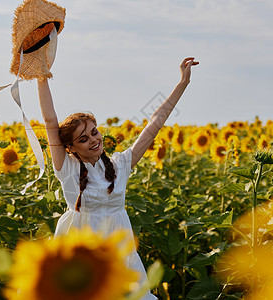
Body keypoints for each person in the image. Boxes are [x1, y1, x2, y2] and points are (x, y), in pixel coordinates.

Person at [37, 57, 199, 299]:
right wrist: (41, 74)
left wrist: (182, 83)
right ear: (70, 147)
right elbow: (50, 121)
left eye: (94, 132)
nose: (93, 140)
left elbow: (154, 124)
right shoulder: (67, 170)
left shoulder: (120, 164)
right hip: (79, 255)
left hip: (119, 255)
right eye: (83, 139)